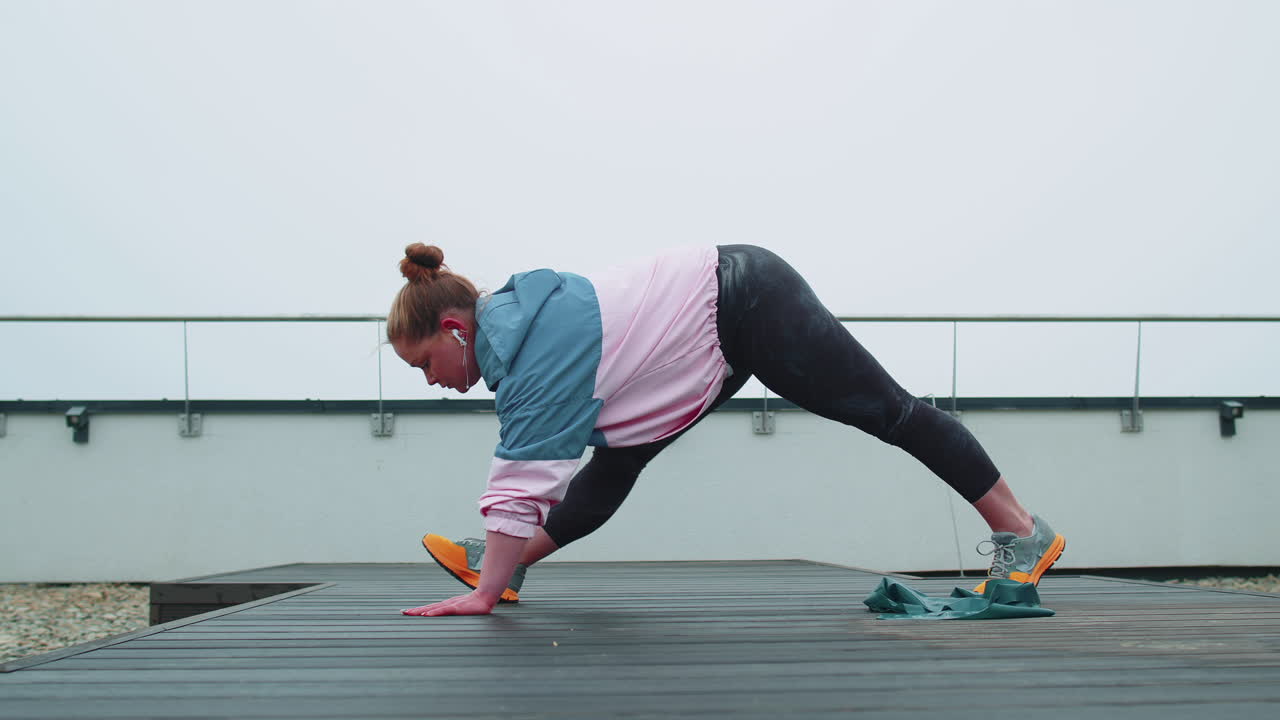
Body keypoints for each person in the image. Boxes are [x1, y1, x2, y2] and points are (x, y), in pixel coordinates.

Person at [388, 243, 1065, 617]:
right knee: (616, 463)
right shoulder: (516, 327)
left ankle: (1020, 530)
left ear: (454, 330)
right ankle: (506, 567)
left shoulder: (534, 350)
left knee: (887, 411)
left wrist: (476, 602)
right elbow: (540, 465)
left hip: (749, 300)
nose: (430, 379)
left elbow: (523, 476)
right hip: (699, 337)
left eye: (425, 363)